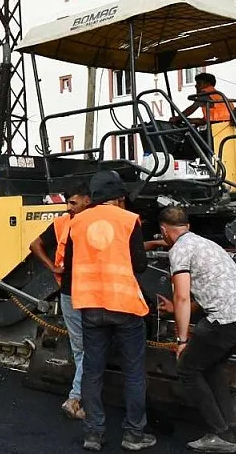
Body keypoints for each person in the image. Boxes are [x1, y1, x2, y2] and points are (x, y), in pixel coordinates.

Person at [155, 206, 236, 453]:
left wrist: (181, 340)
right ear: (187, 226)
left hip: (226, 319)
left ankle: (220, 433)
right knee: (211, 368)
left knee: (188, 369)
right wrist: (175, 308)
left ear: (163, 230)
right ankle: (234, 433)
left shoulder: (179, 250)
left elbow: (182, 296)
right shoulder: (206, 244)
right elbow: (207, 291)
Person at [67, 170, 155, 452]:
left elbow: (70, 265)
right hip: (125, 306)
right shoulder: (129, 221)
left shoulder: (76, 222)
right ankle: (133, 435)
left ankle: (93, 434)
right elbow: (140, 265)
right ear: (118, 198)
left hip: (91, 306)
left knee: (92, 371)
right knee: (133, 372)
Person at [29, 178, 92, 421]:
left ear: (88, 200)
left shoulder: (69, 223)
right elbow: (34, 245)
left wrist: (53, 268)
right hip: (82, 294)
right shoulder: (73, 222)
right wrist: (53, 267)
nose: (69, 207)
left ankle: (77, 397)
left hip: (73, 293)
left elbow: (36, 245)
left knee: (82, 349)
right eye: (68, 203)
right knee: (86, 348)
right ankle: (75, 398)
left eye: (73, 202)